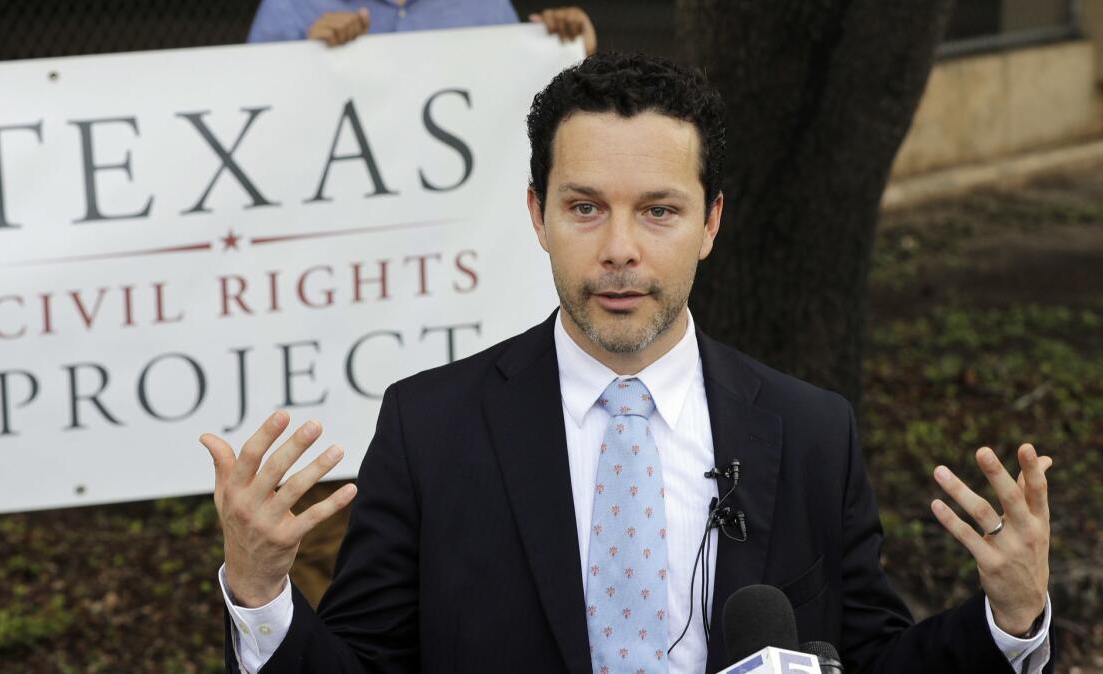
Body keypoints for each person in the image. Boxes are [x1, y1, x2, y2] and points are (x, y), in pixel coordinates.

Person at [202, 53, 1055, 673]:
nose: (618, 251)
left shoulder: (808, 430)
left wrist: (1010, 620)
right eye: (584, 208)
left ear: (711, 224)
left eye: (658, 211)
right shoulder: (431, 428)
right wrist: (261, 594)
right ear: (537, 215)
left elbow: (866, 659)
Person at [248, 0, 597, 54]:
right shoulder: (290, 7)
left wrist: (571, 57)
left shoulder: (485, 7)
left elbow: (522, 117)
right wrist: (305, 58)